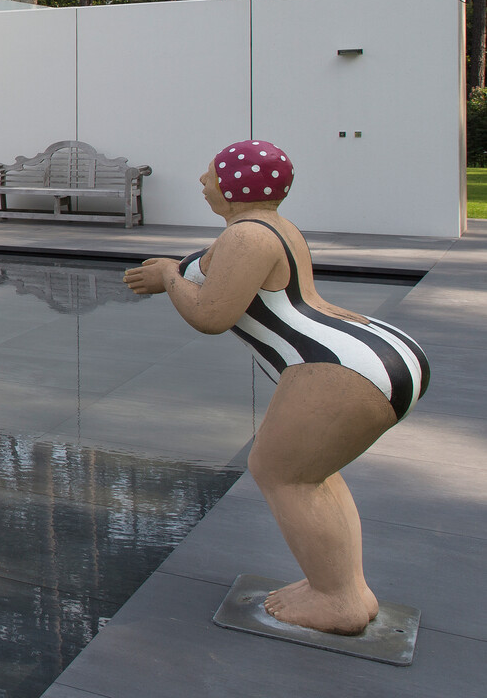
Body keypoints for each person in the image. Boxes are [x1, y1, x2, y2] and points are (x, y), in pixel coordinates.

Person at [124, 140, 430, 636]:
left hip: (337, 369)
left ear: (233, 186)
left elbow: (211, 315)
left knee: (283, 474)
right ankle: (345, 588)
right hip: (373, 353)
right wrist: (177, 272)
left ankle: (336, 602)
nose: (203, 183)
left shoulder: (247, 236)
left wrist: (167, 275)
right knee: (313, 474)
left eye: (210, 175)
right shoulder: (275, 227)